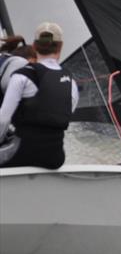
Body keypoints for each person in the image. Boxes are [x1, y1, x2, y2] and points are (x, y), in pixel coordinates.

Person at [0, 23, 78, 169]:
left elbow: (3, 120)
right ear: (60, 47)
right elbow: (65, 114)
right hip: (55, 158)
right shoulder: (71, 83)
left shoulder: (21, 76)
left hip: (20, 154)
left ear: (34, 46)